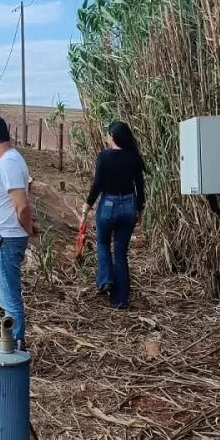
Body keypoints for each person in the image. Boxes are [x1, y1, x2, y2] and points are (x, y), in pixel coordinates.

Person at [0, 115, 33, 347]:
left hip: (5, 241)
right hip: (5, 238)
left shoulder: (9, 162)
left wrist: (28, 229)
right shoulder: (11, 160)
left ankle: (15, 347)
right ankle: (13, 343)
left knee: (9, 299)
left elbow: (22, 205)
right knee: (7, 295)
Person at [80, 120, 145, 310]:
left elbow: (97, 185)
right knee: (120, 254)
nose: (107, 138)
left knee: (102, 242)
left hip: (108, 205)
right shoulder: (134, 158)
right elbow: (140, 188)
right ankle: (120, 300)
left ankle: (105, 279)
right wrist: (139, 210)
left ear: (113, 137)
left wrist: (87, 206)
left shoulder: (104, 157)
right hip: (128, 206)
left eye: (108, 134)